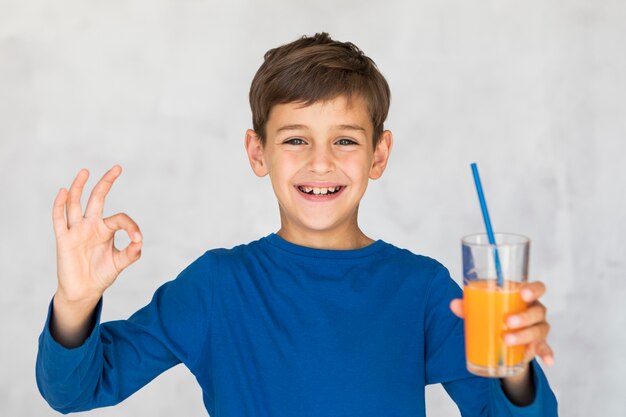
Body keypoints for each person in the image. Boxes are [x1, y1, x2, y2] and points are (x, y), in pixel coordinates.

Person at [36, 33, 558, 416]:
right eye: (295, 139)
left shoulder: (421, 289)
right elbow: (76, 391)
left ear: (379, 155)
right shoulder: (216, 286)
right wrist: (75, 302)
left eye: (346, 140)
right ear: (257, 151)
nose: (321, 162)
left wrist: (514, 367)